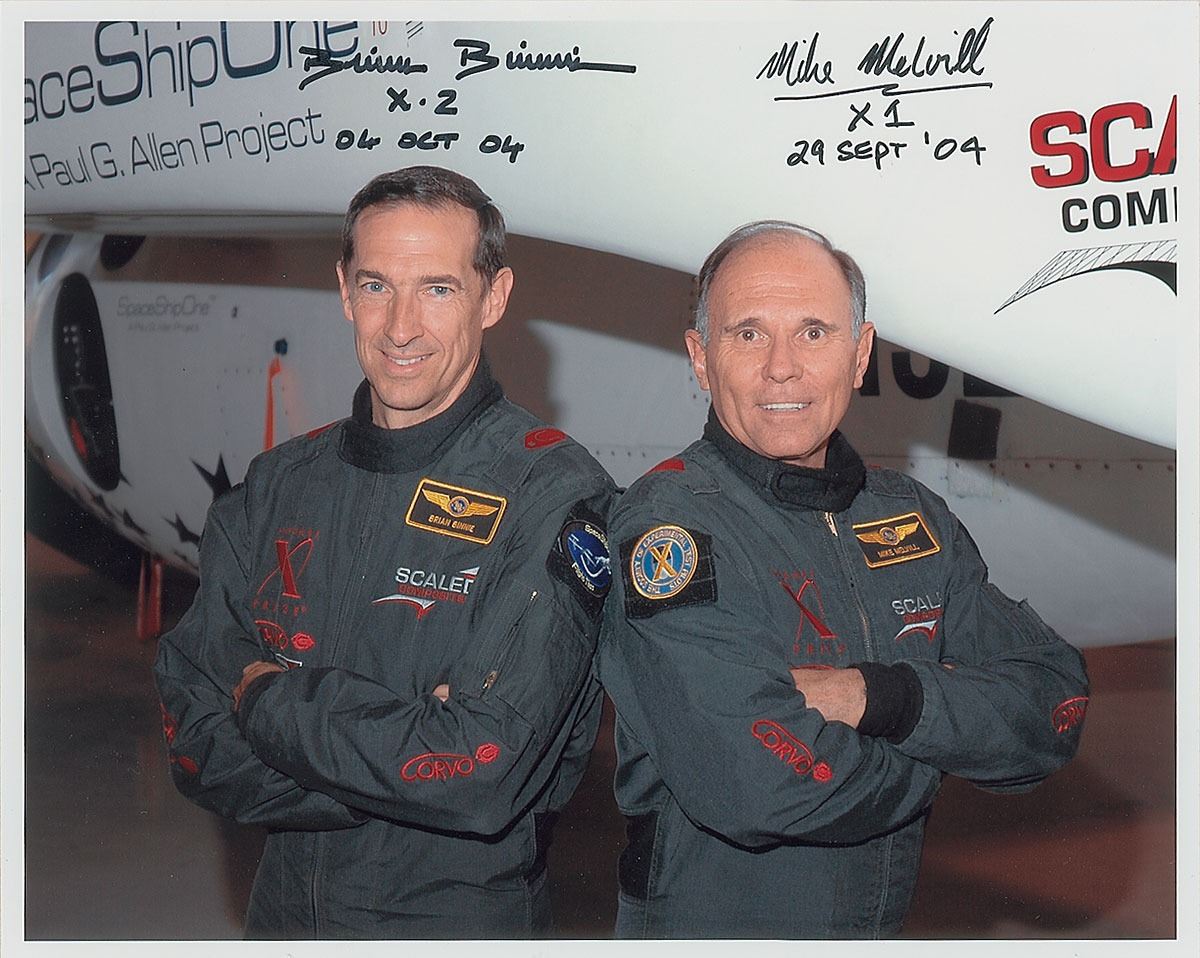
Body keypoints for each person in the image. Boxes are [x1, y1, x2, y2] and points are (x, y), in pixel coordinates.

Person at [154, 165, 616, 938]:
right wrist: (407, 753)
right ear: (344, 290)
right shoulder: (279, 484)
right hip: (281, 920)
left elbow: (481, 772)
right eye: (377, 286)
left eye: (437, 289)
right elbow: (196, 743)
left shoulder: (552, 494)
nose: (401, 327)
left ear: (493, 297)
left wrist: (264, 700)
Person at [595, 220, 1090, 939]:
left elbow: (1054, 702)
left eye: (814, 332)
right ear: (701, 359)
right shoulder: (670, 527)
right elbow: (755, 784)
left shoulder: (910, 517)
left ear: (859, 355)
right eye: (748, 334)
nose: (782, 368)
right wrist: (944, 747)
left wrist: (882, 697)